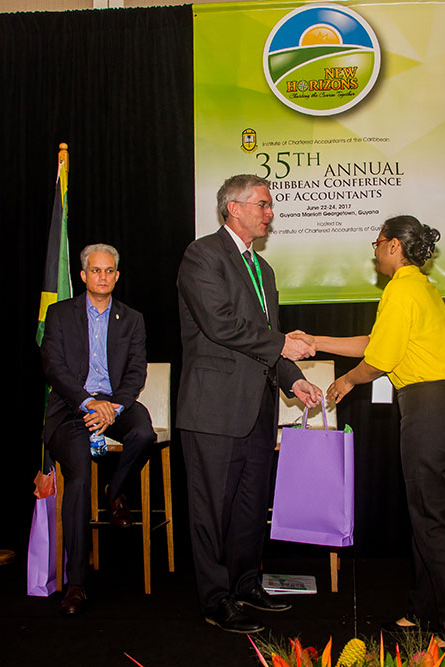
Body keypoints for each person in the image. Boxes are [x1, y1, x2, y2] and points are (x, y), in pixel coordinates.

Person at [292, 216, 445, 636]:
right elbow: (376, 343)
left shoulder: (401, 289)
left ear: (394, 245)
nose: (374, 251)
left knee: (432, 524)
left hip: (430, 412)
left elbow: (379, 360)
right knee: (427, 520)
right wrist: (316, 341)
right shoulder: (422, 288)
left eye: (377, 243)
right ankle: (421, 613)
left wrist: (346, 380)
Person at [176, 174, 323, 634]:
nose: (269, 213)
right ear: (233, 208)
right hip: (213, 407)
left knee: (250, 506)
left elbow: (266, 340)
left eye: (270, 205)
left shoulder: (264, 269)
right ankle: (215, 598)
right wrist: (282, 344)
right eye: (262, 204)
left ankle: (245, 583)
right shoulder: (202, 255)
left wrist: (294, 381)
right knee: (211, 510)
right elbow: (219, 324)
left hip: (257, 407)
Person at [41, 243, 158, 616]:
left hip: (116, 404)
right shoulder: (60, 314)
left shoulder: (132, 319)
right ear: (83, 275)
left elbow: (136, 370)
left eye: (109, 271)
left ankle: (115, 489)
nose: (102, 276)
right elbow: (53, 366)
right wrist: (88, 403)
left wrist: (114, 407)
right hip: (71, 407)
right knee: (78, 481)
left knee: (144, 433)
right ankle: (76, 582)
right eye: (96, 270)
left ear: (117, 276)